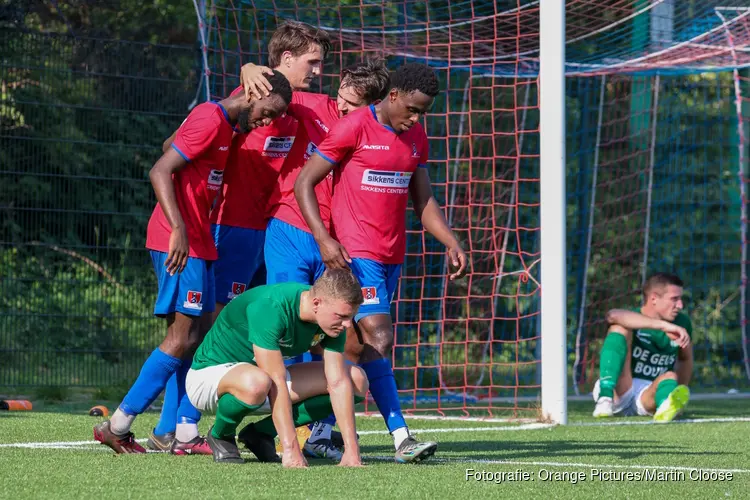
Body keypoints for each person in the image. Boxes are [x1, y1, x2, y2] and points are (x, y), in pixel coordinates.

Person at [148, 20, 330, 452]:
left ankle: (178, 428)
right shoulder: (245, 100)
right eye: (313, 61)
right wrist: (249, 65)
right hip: (230, 228)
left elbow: (353, 105)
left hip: (272, 232)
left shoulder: (301, 106)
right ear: (285, 60)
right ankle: (179, 426)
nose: (320, 71)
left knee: (252, 327)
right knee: (207, 331)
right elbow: (170, 146)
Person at [93, 74, 293, 454]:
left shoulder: (225, 126)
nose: (268, 121)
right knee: (182, 338)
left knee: (195, 336)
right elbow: (160, 169)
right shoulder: (210, 118)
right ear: (254, 94)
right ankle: (118, 425)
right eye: (269, 112)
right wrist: (179, 230)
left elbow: (171, 144)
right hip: (180, 242)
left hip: (198, 241)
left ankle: (182, 434)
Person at [295, 63, 469, 463]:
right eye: (411, 109)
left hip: (393, 256)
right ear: (392, 96)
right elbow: (304, 181)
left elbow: (421, 199)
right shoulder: (353, 127)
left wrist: (450, 240)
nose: (415, 118)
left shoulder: (416, 136)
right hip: (357, 254)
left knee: (355, 348)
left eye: (422, 112)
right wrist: (324, 238)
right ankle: (401, 437)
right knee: (380, 337)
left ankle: (317, 428)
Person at [236, 57, 390, 458]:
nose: (341, 109)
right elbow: (264, 89)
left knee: (343, 339)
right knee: (289, 330)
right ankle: (199, 426)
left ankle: (312, 432)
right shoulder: (310, 105)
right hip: (291, 228)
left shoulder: (381, 129)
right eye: (340, 98)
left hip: (338, 242)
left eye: (352, 105)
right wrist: (250, 67)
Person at [186, 268, 367, 467]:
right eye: (342, 316)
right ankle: (222, 433)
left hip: (263, 381)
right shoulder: (271, 307)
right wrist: (291, 450)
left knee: (355, 380)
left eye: (350, 317)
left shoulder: (332, 317)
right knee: (258, 382)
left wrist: (352, 452)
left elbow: (338, 382)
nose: (348, 325)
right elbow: (275, 381)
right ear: (316, 303)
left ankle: (261, 434)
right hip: (208, 377)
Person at [592, 272, 692, 422]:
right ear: (654, 299)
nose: (680, 305)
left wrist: (679, 392)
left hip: (649, 392)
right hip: (621, 387)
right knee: (619, 328)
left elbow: (686, 359)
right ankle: (605, 398)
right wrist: (663, 326)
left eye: (680, 299)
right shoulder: (633, 316)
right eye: (674, 299)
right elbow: (612, 315)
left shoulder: (682, 322)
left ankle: (666, 404)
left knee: (671, 377)